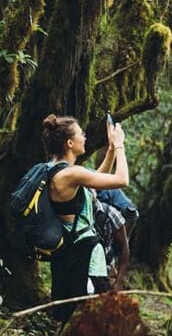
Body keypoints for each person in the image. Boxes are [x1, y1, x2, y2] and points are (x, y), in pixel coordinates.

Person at [42, 114, 129, 320]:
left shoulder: (55, 170)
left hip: (69, 254)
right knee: (96, 319)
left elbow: (95, 182)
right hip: (84, 256)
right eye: (81, 133)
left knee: (76, 320)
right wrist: (119, 145)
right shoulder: (71, 174)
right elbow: (122, 180)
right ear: (70, 143)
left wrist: (109, 151)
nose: (85, 136)